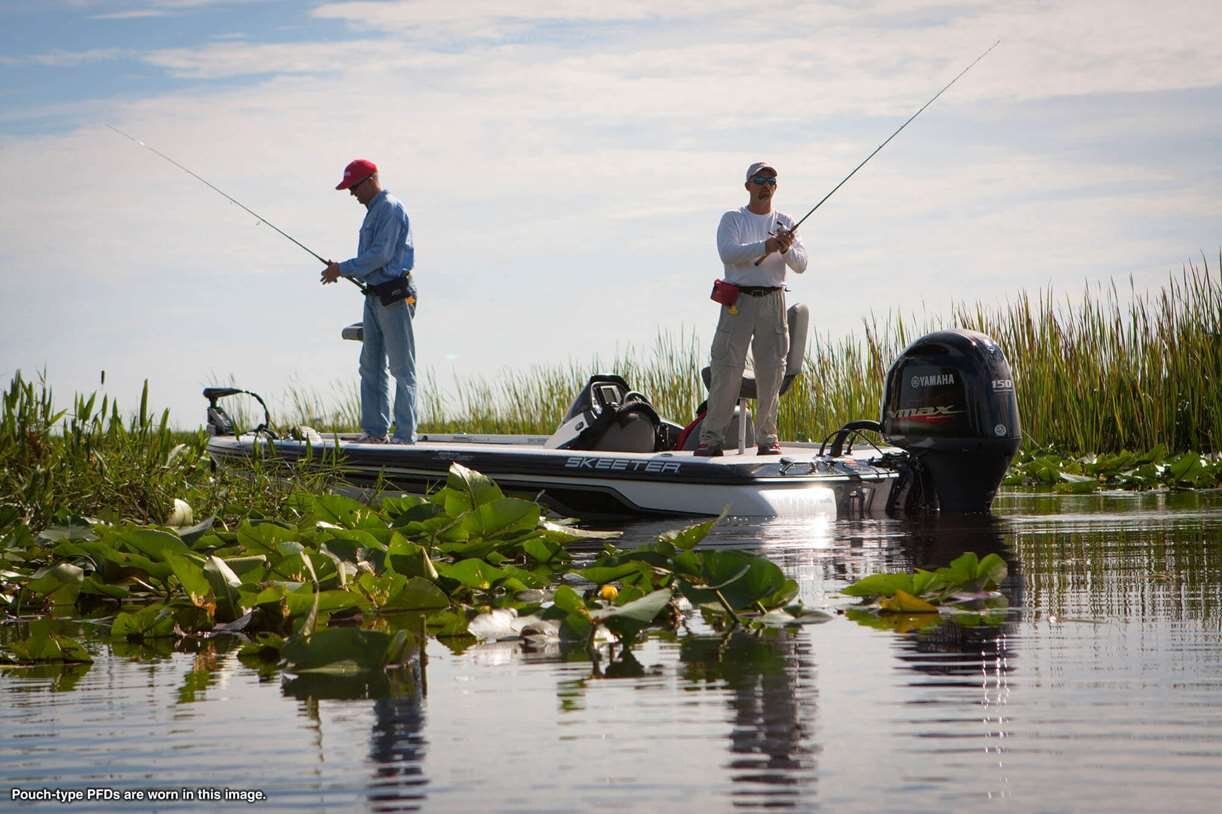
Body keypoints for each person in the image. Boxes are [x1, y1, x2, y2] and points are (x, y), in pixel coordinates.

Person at [694, 161, 808, 457]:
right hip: (738, 301)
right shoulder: (733, 219)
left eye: (771, 180)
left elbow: (801, 264)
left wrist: (783, 247)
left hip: (774, 301)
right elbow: (728, 252)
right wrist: (765, 246)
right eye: (759, 179)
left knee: (772, 371)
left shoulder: (786, 220)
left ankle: (767, 439)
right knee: (726, 369)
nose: (766, 184)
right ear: (748, 185)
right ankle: (712, 438)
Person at [321, 159, 418, 444]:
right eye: (349, 188)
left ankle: (404, 435)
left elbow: (380, 255)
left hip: (396, 294)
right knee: (371, 365)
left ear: (372, 180)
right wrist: (344, 269)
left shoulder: (389, 208)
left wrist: (342, 268)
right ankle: (375, 432)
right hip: (374, 294)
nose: (352, 194)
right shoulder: (373, 211)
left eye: (354, 187)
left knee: (401, 367)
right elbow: (371, 262)